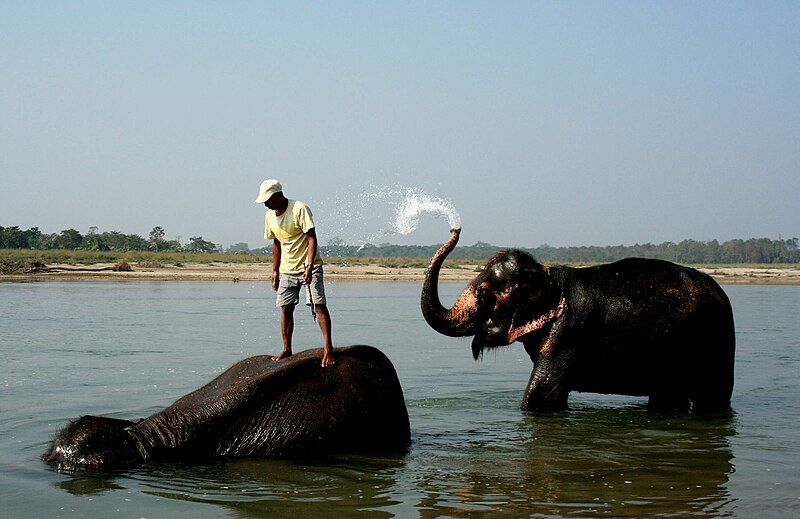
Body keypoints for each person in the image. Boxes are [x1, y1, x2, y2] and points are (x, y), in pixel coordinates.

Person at [255, 179, 334, 367]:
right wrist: (275, 270)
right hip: (287, 270)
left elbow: (312, 238)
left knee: (318, 305)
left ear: (278, 195)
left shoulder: (299, 208)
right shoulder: (269, 216)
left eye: (268, 200)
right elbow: (276, 243)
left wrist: (308, 266)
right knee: (285, 307)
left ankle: (328, 348)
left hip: (310, 266)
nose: (265, 204)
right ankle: (287, 348)